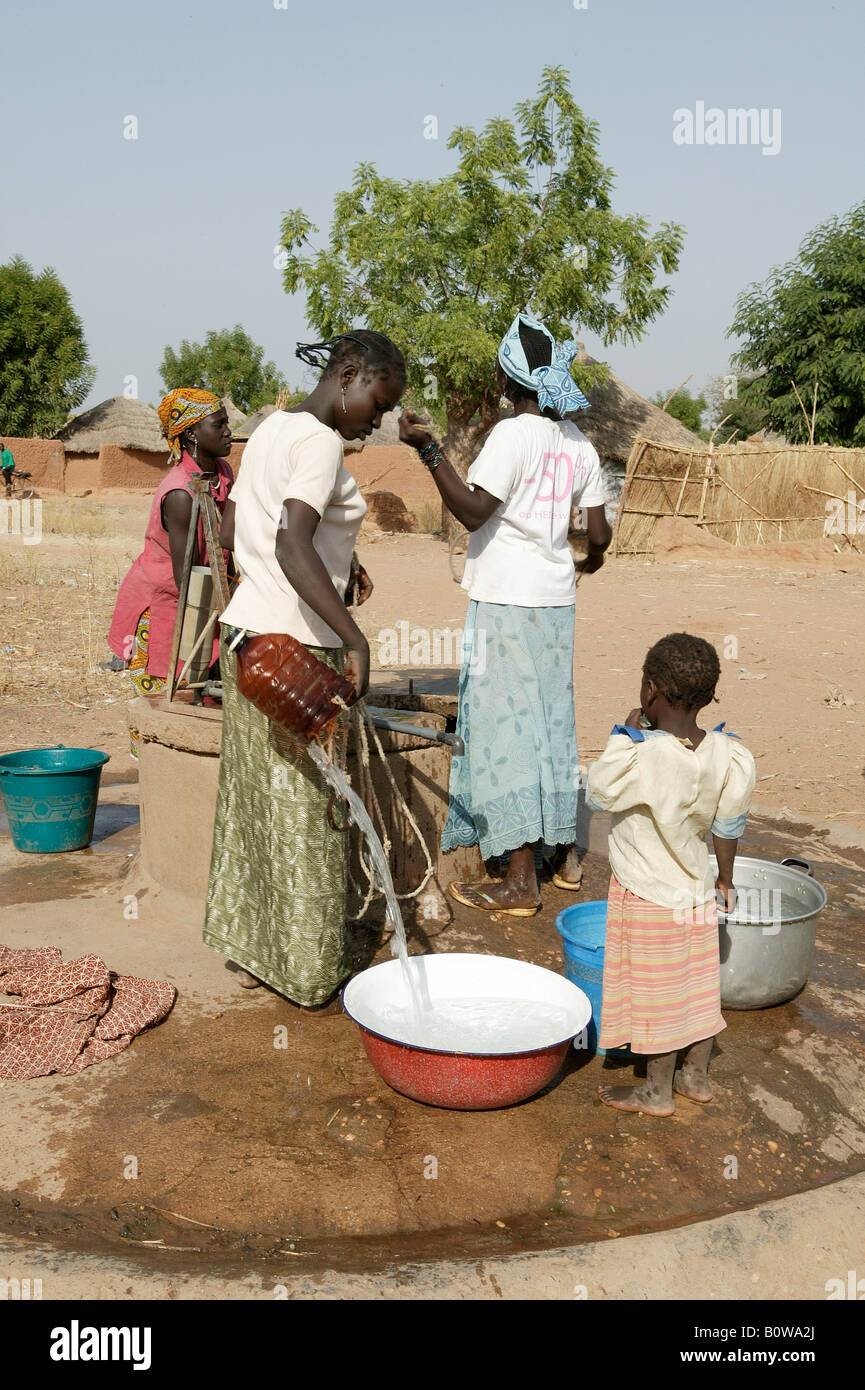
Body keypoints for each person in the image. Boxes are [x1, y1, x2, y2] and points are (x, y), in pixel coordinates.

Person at [203, 330, 407, 1014]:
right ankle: (311, 970)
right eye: (378, 402)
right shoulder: (319, 442)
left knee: (257, 804)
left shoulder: (270, 429)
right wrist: (353, 639)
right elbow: (292, 541)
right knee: (317, 814)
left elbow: (237, 536)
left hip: (244, 637)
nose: (377, 420)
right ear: (348, 374)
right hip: (295, 651)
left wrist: (338, 568)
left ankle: (260, 950)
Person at [398, 312, 611, 917]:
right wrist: (585, 561)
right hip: (555, 603)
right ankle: (561, 857)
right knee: (549, 720)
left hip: (506, 602)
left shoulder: (511, 436)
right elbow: (598, 532)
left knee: (508, 732)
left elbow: (470, 511)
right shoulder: (579, 443)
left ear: (508, 374)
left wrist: (428, 449)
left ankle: (520, 883)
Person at [586, 633, 756, 1117]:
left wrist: (623, 732)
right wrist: (724, 879)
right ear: (707, 697)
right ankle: (695, 1078)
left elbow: (598, 793)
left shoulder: (642, 755)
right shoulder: (728, 753)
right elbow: (728, 824)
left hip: (648, 894)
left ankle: (655, 1092)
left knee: (657, 995)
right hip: (697, 891)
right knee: (697, 989)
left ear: (650, 691)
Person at [107, 389, 234, 754]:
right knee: (164, 721)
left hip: (205, 602)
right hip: (167, 610)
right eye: (220, 424)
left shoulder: (222, 473)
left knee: (208, 706)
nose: (229, 431)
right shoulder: (180, 493)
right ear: (191, 433)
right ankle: (156, 798)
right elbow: (187, 580)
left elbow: (228, 545)